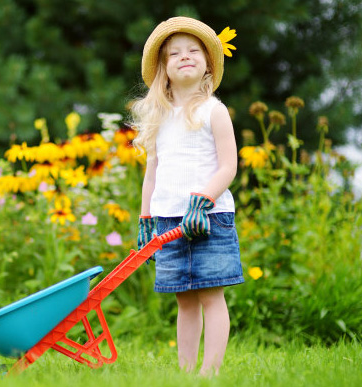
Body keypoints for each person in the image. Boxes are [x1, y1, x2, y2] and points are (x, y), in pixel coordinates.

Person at [131, 16, 244, 376]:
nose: (184, 56)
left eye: (193, 50)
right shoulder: (158, 118)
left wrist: (203, 199)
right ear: (163, 68)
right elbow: (152, 174)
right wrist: (146, 217)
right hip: (168, 220)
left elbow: (228, 167)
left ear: (208, 63)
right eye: (174, 53)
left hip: (209, 218)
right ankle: (184, 373)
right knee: (184, 300)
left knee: (211, 295)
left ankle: (208, 373)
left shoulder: (215, 111)